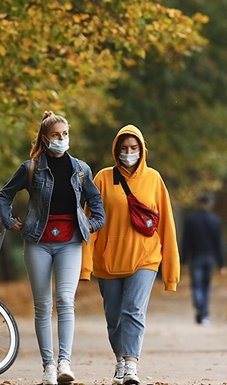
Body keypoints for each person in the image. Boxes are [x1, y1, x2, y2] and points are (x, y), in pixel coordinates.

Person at [0, 111, 105, 385]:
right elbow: (5, 194)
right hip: (38, 243)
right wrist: (9, 220)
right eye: (56, 135)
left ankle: (64, 363)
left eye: (65, 134)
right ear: (45, 139)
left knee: (66, 301)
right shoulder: (30, 168)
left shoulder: (81, 169)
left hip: (70, 243)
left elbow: (96, 202)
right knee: (43, 305)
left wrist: (92, 224)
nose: (62, 139)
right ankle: (48, 366)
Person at [81, 125, 180, 385]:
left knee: (133, 310)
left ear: (142, 150)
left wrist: (171, 274)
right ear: (116, 150)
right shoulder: (102, 179)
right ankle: (121, 361)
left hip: (145, 258)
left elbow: (167, 225)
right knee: (114, 317)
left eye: (133, 148)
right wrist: (85, 265)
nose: (128, 153)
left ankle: (131, 366)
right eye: (123, 149)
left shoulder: (154, 179)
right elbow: (88, 223)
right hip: (108, 260)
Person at [181, 192, 227, 326]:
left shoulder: (191, 220)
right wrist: (222, 264)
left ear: (199, 203)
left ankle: (198, 303)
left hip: (196, 258)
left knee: (196, 284)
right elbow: (220, 244)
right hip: (210, 258)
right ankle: (204, 314)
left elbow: (186, 242)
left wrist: (183, 261)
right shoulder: (216, 221)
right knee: (206, 286)